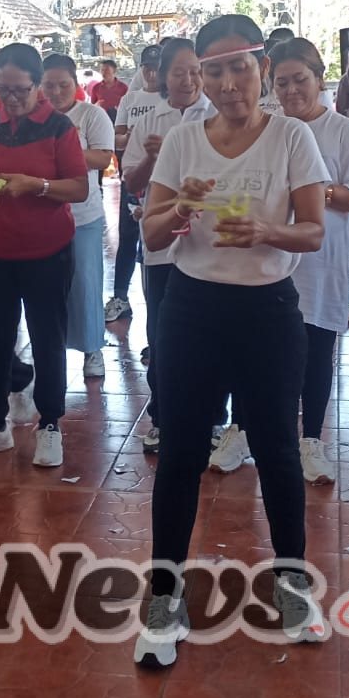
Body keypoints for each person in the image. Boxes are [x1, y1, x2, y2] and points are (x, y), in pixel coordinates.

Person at [134, 14, 327, 669]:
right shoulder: (186, 140)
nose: (226, 81)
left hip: (268, 310)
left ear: (261, 68)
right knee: (182, 453)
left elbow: (314, 231)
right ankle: (164, 596)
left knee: (276, 449)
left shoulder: (292, 136)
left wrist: (267, 233)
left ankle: (292, 582)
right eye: (211, 69)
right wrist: (180, 207)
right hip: (191, 309)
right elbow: (153, 235)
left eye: (238, 66)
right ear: (198, 76)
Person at [0, 43, 88, 469]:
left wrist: (36, 185)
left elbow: (79, 188)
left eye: (19, 90)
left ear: (37, 85)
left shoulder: (60, 127)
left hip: (48, 251)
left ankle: (49, 425)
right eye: (3, 89)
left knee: (48, 339)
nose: (10, 99)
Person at [275, 38, 349, 486]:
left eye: (300, 80)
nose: (291, 90)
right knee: (263, 352)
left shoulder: (344, 132)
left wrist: (315, 188)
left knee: (316, 348)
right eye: (281, 83)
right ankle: (248, 431)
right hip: (269, 254)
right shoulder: (265, 127)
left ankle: (311, 439)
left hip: (321, 256)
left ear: (320, 80)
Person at [124, 38, 213, 455]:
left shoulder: (214, 116)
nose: (189, 79)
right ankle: (162, 416)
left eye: (196, 71)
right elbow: (131, 184)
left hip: (206, 244)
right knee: (162, 333)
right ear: (162, 76)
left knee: (206, 334)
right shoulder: (149, 120)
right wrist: (151, 159)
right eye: (180, 71)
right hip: (160, 243)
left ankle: (213, 418)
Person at [42, 54, 116, 380]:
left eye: (63, 85)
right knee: (47, 285)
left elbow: (102, 157)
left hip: (83, 215)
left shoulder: (91, 115)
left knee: (84, 282)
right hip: (43, 214)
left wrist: (61, 151)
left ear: (76, 84)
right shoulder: (35, 118)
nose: (56, 92)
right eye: (49, 86)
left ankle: (92, 349)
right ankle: (50, 348)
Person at [108, 44, 163, 323]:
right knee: (128, 237)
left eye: (157, 67)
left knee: (154, 246)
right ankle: (120, 296)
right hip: (135, 176)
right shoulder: (131, 99)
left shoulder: (171, 102)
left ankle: (157, 321)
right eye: (147, 67)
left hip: (161, 183)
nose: (152, 73)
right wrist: (133, 139)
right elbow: (118, 137)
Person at [90, 58, 128, 124]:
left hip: (119, 121)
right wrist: (97, 105)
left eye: (107, 70)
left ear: (114, 71)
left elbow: (128, 106)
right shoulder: (96, 88)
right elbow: (92, 107)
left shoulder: (123, 88)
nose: (104, 73)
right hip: (101, 121)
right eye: (102, 70)